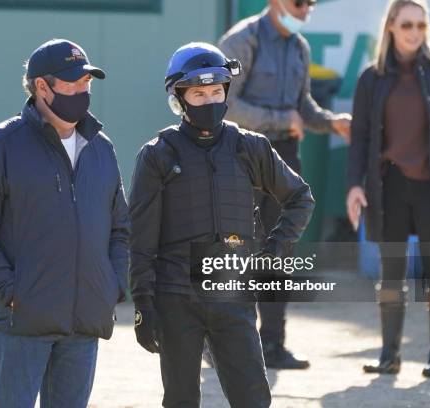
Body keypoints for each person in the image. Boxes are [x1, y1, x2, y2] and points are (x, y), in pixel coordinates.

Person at [129, 42, 315, 408]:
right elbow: (140, 238)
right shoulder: (157, 155)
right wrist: (143, 303)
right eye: (199, 93)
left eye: (217, 91)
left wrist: (272, 254)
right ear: (179, 98)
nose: (211, 101)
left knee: (254, 399)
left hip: (232, 295)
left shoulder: (250, 147)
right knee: (181, 399)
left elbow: (300, 198)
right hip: (176, 298)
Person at [0, 38, 130, 407]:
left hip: (83, 323)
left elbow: (120, 230)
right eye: (73, 83)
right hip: (19, 323)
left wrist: (110, 286)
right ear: (41, 87)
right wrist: (12, 292)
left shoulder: (102, 148)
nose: (83, 91)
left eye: (87, 83)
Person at [218, 0, 352, 369]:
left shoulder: (299, 47)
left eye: (310, 4)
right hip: (240, 154)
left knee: (280, 251)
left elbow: (302, 106)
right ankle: (222, 346)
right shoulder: (241, 41)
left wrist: (330, 122)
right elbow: (222, 102)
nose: (306, 10)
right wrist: (280, 117)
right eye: (299, 3)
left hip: (285, 159)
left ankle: (273, 346)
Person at [346, 0, 430, 377]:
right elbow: (360, 138)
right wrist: (354, 185)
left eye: (420, 25)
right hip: (389, 188)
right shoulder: (372, 78)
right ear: (391, 28)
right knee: (391, 276)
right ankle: (390, 356)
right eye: (407, 25)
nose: (414, 32)